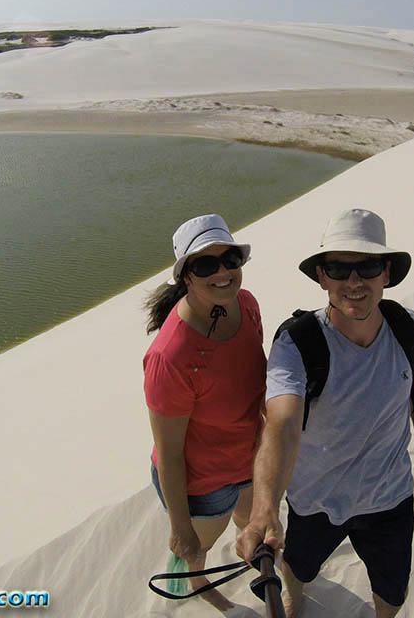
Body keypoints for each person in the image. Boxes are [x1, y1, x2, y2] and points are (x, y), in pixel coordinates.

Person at [236, 208, 414, 618]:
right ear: (322, 277)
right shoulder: (297, 344)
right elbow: (281, 425)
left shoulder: (407, 328)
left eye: (367, 266)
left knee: (392, 590)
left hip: (390, 500)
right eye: (338, 268)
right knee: (298, 568)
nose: (354, 282)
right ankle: (295, 603)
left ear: (386, 273)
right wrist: (264, 510)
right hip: (315, 502)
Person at [144, 214, 267, 610]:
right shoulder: (172, 355)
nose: (222, 273)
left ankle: (252, 555)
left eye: (229, 259)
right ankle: (200, 587)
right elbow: (169, 452)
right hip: (203, 482)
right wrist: (181, 527)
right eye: (204, 265)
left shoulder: (246, 306)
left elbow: (257, 378)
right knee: (198, 548)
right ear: (185, 277)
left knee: (253, 523)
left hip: (249, 457)